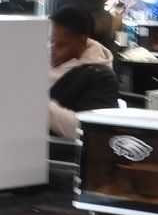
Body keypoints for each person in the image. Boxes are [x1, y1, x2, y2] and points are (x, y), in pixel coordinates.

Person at [47, 9, 120, 140]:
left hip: (62, 155)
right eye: (50, 42)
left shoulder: (101, 78)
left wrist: (35, 103)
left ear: (82, 40)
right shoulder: (45, 61)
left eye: (60, 45)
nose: (52, 50)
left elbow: (89, 130)